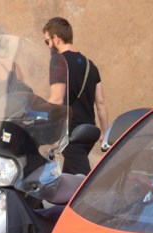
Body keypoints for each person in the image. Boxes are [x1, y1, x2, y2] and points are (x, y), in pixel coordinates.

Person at [42, 16, 110, 175]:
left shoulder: (58, 61)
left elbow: (57, 99)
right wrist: (105, 134)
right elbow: (100, 102)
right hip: (89, 132)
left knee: (83, 184)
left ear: (56, 39)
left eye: (47, 41)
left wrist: (38, 113)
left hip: (72, 134)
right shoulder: (90, 64)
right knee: (69, 179)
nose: (47, 46)